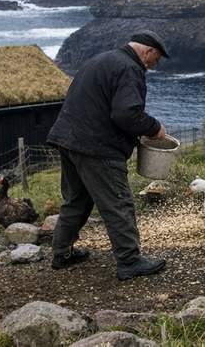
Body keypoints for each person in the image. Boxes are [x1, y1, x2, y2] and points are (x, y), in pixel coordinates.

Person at [47, 30, 172, 280]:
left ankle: (62, 253)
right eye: (155, 59)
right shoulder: (130, 69)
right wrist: (154, 128)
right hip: (98, 147)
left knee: (77, 199)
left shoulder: (101, 60)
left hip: (68, 139)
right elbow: (126, 114)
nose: (154, 65)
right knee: (118, 202)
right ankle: (129, 261)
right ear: (147, 52)